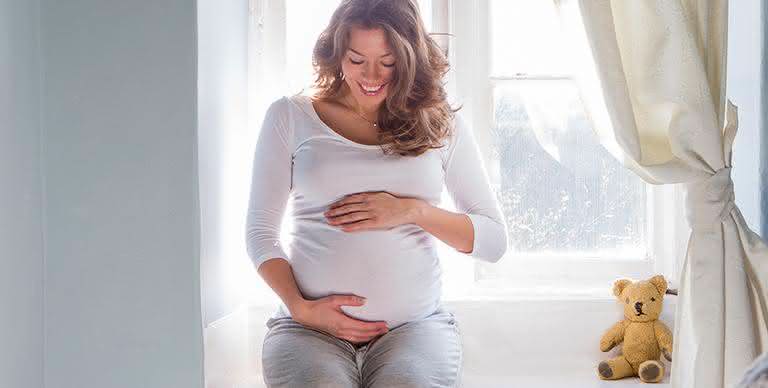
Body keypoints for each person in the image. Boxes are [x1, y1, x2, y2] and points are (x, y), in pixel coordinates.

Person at [245, 0, 508, 386]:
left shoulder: (441, 125)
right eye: (356, 59)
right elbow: (260, 232)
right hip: (309, 331)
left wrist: (411, 211)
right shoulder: (290, 116)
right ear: (336, 55)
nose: (371, 75)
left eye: (387, 62)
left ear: (411, 59)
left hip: (414, 329)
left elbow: (493, 242)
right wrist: (301, 309)